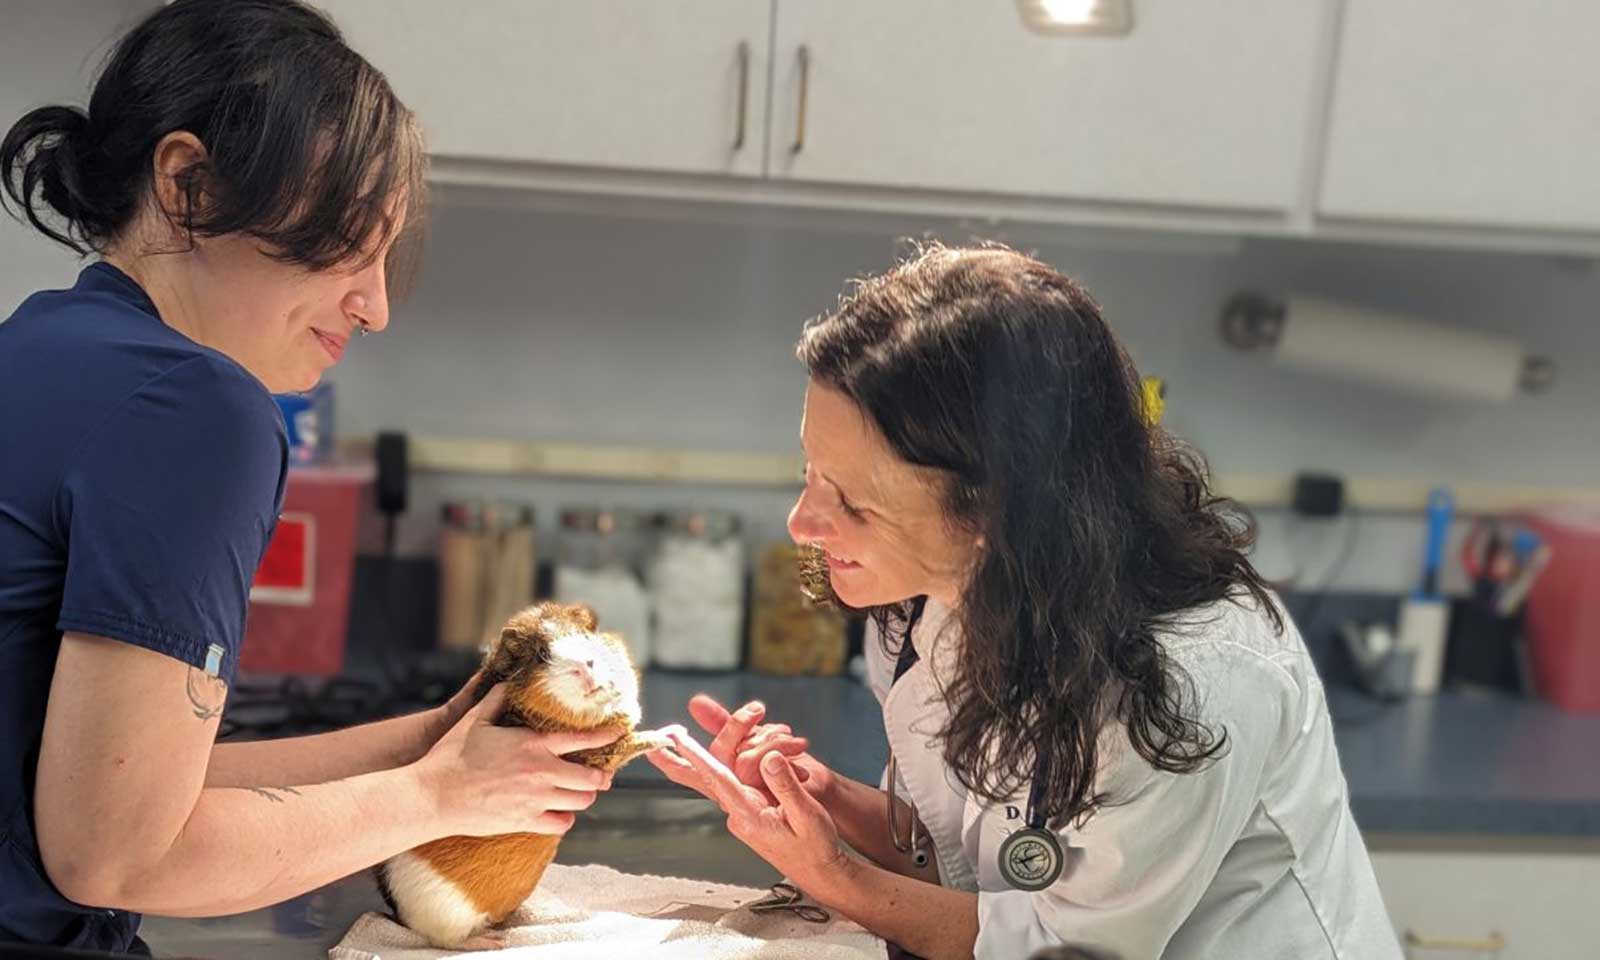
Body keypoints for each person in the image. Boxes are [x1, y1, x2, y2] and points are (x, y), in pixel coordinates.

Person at [0, 2, 617, 951]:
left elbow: (130, 791)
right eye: (348, 241)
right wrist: (436, 797)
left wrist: (434, 742)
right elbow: (113, 858)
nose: (373, 306)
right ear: (190, 186)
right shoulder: (196, 407)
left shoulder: (40, 343)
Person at [651, 245, 1401, 960]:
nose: (802, 525)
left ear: (993, 508)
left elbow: (1056, 940)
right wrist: (825, 802)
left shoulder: (1195, 678)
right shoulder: (935, 593)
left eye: (856, 503)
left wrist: (832, 875)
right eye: (812, 472)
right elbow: (973, 851)